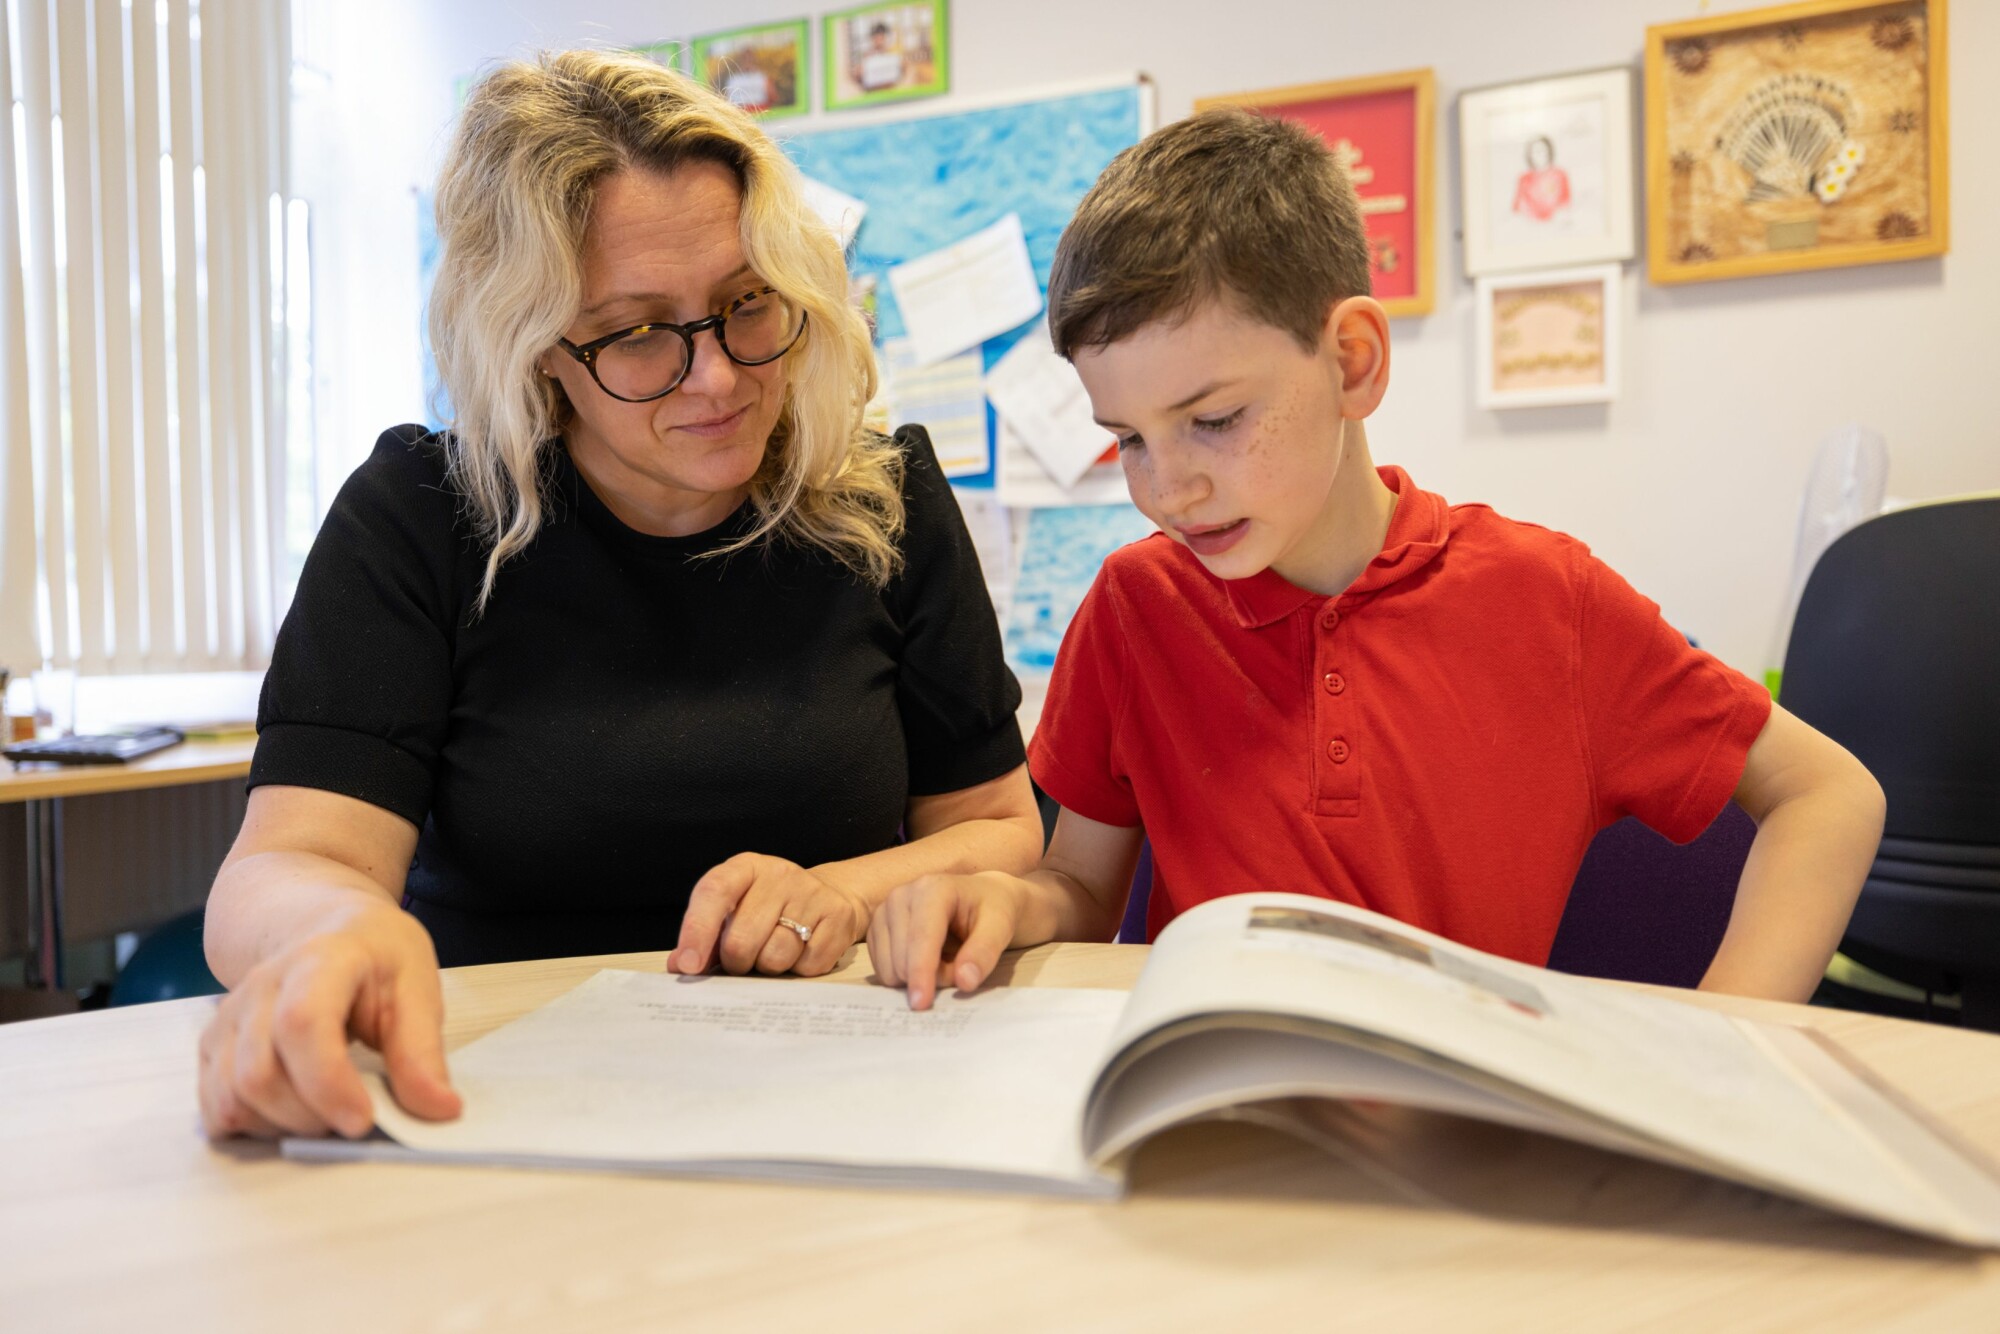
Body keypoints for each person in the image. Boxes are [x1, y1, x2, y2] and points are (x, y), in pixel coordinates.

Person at [198, 50, 1042, 1139]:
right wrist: (330, 931)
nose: (719, 376)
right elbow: (291, 860)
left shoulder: (884, 500)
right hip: (499, 1092)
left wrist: (846, 889)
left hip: (833, 1087)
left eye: (746, 302)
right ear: (538, 347)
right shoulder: (423, 514)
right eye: (639, 332)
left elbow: (995, 826)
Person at [869, 110, 1885, 1010]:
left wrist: (1726, 1038)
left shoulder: (1545, 599)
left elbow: (1828, 794)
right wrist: (1002, 899)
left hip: (1456, 1125)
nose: (1166, 489)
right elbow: (1083, 891)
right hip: (1213, 1116)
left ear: (1352, 361)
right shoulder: (1134, 607)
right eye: (1128, 438)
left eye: (1213, 420)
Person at [1513, 134, 1572, 222]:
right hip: (1531, 224)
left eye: (1542, 150)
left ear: (1549, 151)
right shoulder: (1524, 179)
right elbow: (1517, 208)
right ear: (1530, 155)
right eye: (1534, 151)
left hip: (1557, 223)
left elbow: (1566, 203)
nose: (1538, 154)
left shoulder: (1560, 175)